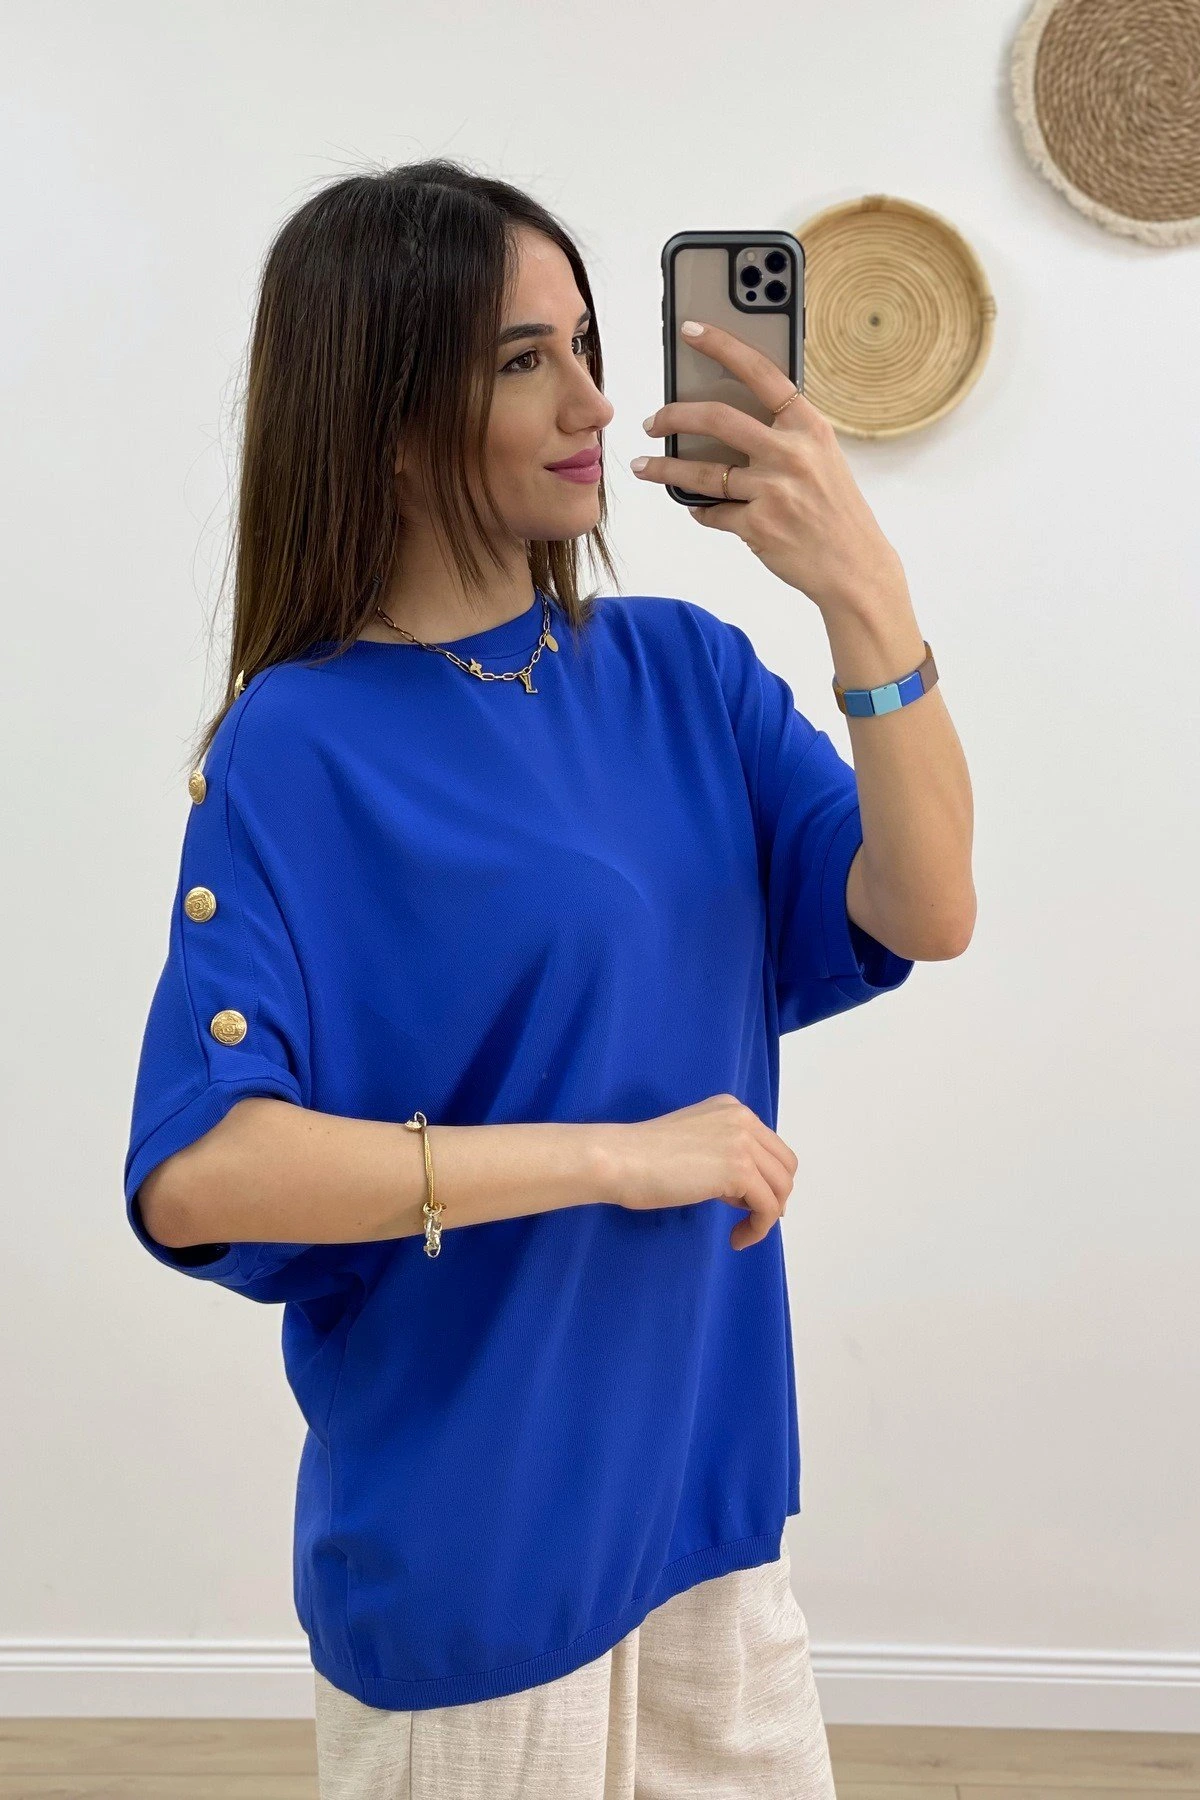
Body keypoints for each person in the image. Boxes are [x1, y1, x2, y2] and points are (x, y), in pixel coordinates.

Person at [123, 158, 973, 1799]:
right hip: (478, 1540)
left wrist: (861, 588)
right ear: (385, 417)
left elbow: (927, 906)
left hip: (708, 1503)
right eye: (525, 360)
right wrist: (613, 1157)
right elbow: (202, 1172)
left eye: (586, 342)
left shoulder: (684, 672)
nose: (594, 400)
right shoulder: (299, 745)